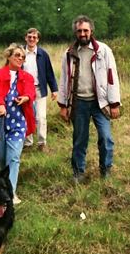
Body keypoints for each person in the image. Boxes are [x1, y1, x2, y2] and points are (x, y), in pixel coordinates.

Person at [58, 15, 121, 183]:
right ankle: (78, 172)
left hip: (100, 102)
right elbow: (64, 80)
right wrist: (63, 106)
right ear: (75, 32)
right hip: (79, 103)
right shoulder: (69, 53)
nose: (82, 34)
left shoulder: (103, 50)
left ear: (91, 31)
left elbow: (112, 77)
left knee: (106, 137)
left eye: (85, 30)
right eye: (79, 31)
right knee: (79, 139)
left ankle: (105, 170)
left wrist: (114, 103)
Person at [0, 43, 36, 204]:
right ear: (8, 56)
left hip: (18, 122)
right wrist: (0, 105)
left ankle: (11, 193)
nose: (20, 58)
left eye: (23, 57)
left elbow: (30, 91)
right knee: (2, 159)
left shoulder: (27, 77)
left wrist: (26, 97)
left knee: (14, 158)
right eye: (17, 55)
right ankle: (0, 187)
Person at [22, 28, 58, 152]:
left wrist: (54, 89)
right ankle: (28, 143)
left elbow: (49, 73)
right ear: (25, 38)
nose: (32, 39)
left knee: (41, 117)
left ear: (38, 39)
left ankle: (42, 143)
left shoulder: (43, 54)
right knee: (27, 116)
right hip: (24, 90)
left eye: (34, 37)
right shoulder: (20, 53)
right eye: (29, 37)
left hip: (39, 89)